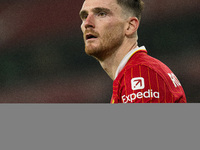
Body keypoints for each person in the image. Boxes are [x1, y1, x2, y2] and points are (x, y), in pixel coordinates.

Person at [79, 0, 187, 103]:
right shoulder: (129, 77)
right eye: (84, 16)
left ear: (130, 26)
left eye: (101, 14)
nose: (87, 23)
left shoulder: (141, 73)